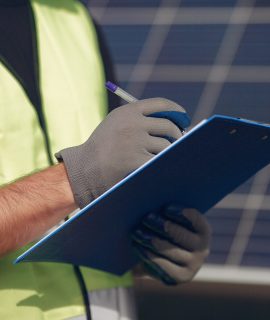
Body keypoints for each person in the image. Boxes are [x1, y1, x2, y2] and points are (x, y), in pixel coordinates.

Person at [0, 0, 211, 319]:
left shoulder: (71, 16)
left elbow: (105, 184)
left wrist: (147, 241)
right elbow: (88, 174)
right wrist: (73, 179)